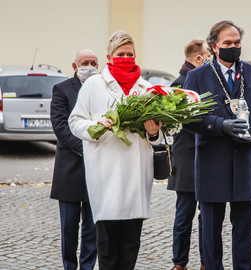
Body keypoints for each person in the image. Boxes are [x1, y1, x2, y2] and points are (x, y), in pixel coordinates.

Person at [183, 20, 251, 269]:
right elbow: (188, 119)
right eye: (227, 43)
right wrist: (219, 125)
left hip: (244, 162)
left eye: (237, 42)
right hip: (213, 161)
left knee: (243, 230)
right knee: (210, 229)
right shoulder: (197, 76)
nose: (233, 47)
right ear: (214, 46)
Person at [68, 31, 163, 270]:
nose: (126, 58)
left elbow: (159, 136)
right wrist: (95, 126)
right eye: (121, 54)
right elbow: (75, 121)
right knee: (107, 247)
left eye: (130, 54)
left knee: (131, 244)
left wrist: (154, 132)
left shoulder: (146, 88)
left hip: (136, 174)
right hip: (106, 171)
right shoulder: (93, 85)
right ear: (109, 57)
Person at [50, 49, 98, 270]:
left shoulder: (101, 89)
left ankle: (87, 266)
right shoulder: (61, 90)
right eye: (85, 62)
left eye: (94, 62)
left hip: (97, 170)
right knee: (69, 226)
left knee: (92, 228)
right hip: (70, 169)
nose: (90, 66)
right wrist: (87, 147)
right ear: (75, 65)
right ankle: (69, 266)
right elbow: (61, 127)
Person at [167, 39, 211, 270]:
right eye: (207, 56)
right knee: (184, 215)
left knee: (207, 216)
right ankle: (179, 263)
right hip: (187, 158)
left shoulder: (202, 80)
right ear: (198, 59)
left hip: (203, 156)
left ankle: (206, 261)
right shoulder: (180, 84)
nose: (210, 60)